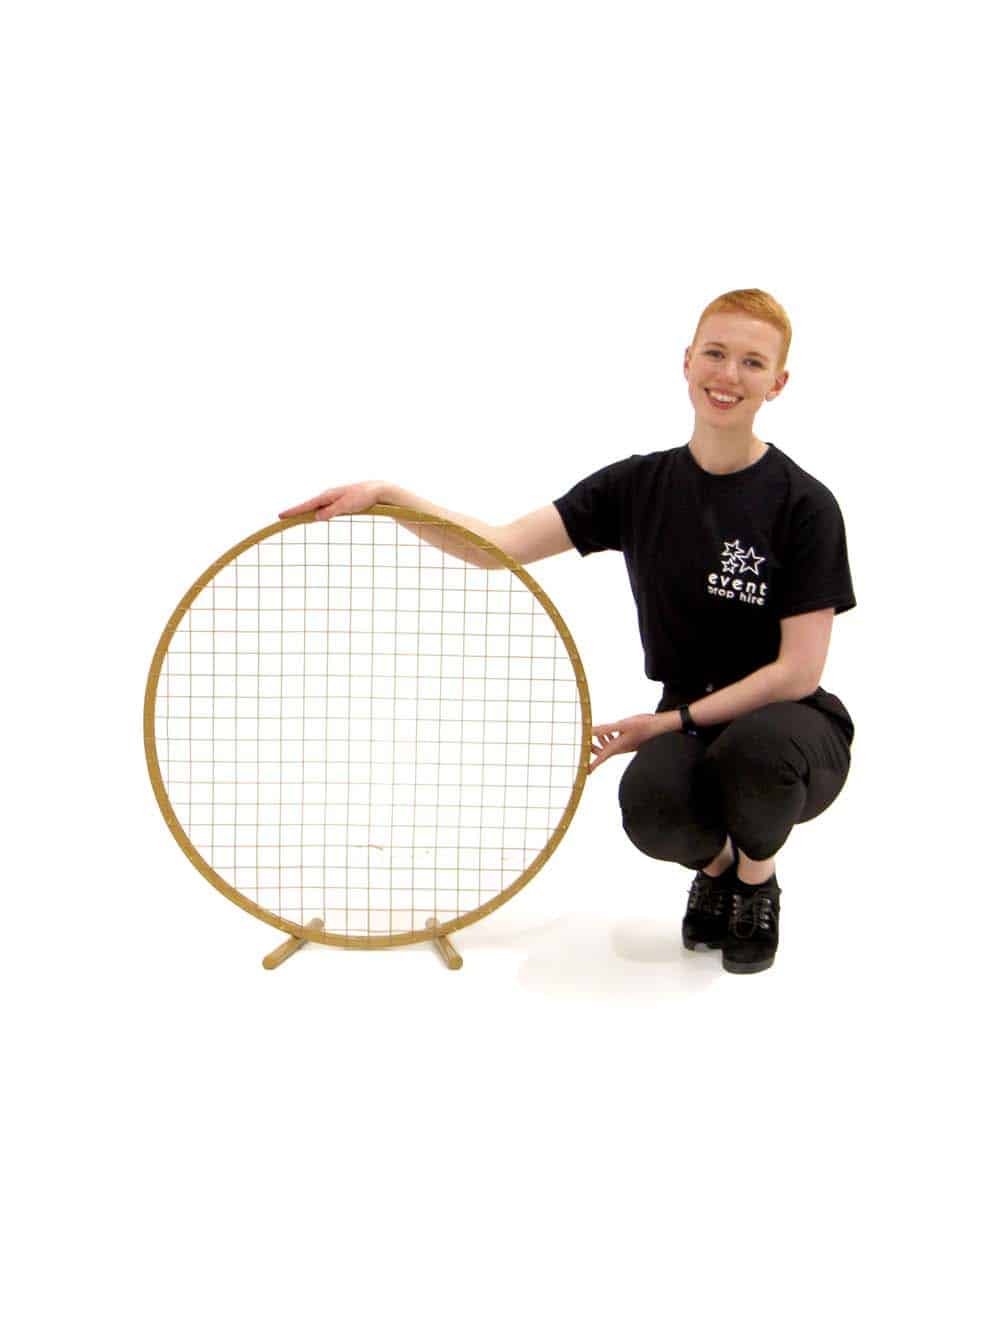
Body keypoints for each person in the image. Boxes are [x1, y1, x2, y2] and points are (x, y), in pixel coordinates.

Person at [278, 288, 856, 976]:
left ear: (777, 383)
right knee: (650, 805)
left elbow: (798, 671)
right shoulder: (639, 485)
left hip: (789, 724)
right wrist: (391, 497)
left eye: (752, 362)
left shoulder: (805, 504)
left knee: (755, 754)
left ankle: (757, 881)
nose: (728, 375)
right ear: (687, 361)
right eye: (715, 353)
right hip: (688, 717)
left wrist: (665, 723)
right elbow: (497, 547)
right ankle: (720, 868)